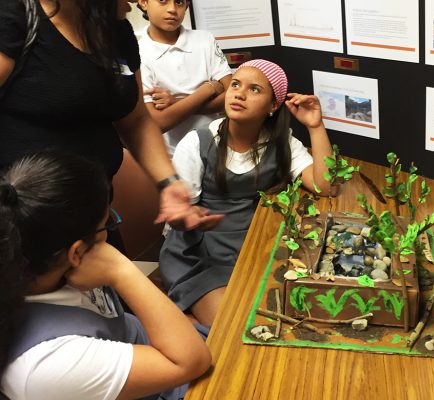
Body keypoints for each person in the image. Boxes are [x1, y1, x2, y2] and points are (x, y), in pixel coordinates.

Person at [0, 151, 211, 400]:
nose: (110, 232)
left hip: (170, 346)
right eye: (108, 222)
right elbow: (190, 362)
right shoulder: (45, 366)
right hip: (179, 371)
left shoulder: (52, 271)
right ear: (76, 251)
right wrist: (121, 270)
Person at [0, 0, 215, 233]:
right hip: (23, 226)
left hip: (93, 216)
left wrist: (169, 183)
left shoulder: (117, 31)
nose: (135, 1)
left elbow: (136, 121)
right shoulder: (16, 14)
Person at [159, 59, 334, 326]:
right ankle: (188, 320)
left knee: (291, 319)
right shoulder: (197, 143)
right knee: (235, 326)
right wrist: (186, 216)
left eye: (254, 90)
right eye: (236, 85)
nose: (239, 93)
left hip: (254, 247)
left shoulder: (280, 141)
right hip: (201, 253)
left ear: (273, 106)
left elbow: (325, 185)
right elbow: (180, 219)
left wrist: (315, 126)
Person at [136, 0, 232, 157]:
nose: (173, 9)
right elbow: (159, 122)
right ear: (143, 2)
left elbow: (230, 95)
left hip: (215, 147)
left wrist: (175, 103)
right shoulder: (139, 52)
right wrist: (208, 89)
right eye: (162, 1)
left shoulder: (204, 40)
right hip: (172, 155)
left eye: (179, 2)